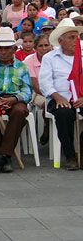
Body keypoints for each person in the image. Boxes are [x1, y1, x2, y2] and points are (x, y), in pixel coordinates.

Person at [0, 27, 32, 174]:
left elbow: (27, 91)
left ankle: (0, 157)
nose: (3, 51)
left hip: (15, 100)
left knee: (20, 111)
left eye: (7, 48)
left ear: (14, 49)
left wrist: (14, 99)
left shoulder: (22, 67)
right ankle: (5, 157)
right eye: (0, 48)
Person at [39, 19, 83, 170]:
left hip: (81, 97)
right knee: (64, 114)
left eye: (77, 37)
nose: (75, 40)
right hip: (60, 98)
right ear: (60, 40)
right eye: (71, 37)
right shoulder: (49, 58)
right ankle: (70, 155)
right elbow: (44, 82)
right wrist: (57, 96)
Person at [23, 34, 52, 145]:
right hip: (38, 93)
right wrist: (52, 94)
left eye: (46, 45)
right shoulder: (29, 61)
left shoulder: (55, 58)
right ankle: (47, 127)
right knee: (47, 103)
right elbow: (35, 86)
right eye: (40, 46)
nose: (44, 48)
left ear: (51, 46)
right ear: (35, 47)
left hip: (56, 91)